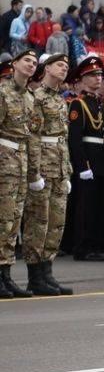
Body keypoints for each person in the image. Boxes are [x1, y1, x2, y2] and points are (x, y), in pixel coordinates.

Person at [22, 53, 74, 295]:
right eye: (59, 65)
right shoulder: (37, 98)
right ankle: (35, 277)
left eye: (66, 66)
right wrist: (34, 173)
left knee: (56, 223)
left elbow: (63, 139)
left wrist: (69, 171)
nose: (64, 69)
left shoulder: (61, 100)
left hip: (60, 169)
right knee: (38, 223)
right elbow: (32, 137)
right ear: (47, 68)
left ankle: (47, 273)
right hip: (43, 168)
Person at [66, 55, 104, 262]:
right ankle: (83, 247)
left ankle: (95, 244)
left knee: (99, 205)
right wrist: (83, 165)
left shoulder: (102, 104)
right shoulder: (79, 104)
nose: (98, 79)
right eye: (92, 75)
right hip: (88, 160)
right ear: (83, 79)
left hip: (102, 159)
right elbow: (75, 139)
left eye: (100, 75)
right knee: (86, 207)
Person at [0, 49, 39, 299]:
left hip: (21, 162)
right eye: (27, 60)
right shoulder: (2, 92)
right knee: (2, 220)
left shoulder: (30, 96)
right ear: (14, 64)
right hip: (4, 161)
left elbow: (31, 134)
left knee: (14, 222)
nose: (32, 65)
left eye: (35, 62)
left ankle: (6, 276)